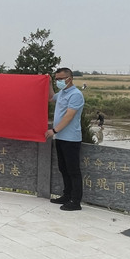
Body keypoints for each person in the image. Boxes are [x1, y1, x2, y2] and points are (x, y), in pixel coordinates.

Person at [46, 67, 85, 211]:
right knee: (63, 168)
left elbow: (69, 116)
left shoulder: (76, 95)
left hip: (71, 138)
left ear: (70, 78)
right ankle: (66, 195)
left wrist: (54, 130)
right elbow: (51, 98)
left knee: (73, 170)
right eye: (57, 79)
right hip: (61, 137)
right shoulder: (62, 93)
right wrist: (49, 83)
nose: (59, 82)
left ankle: (75, 201)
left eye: (61, 79)